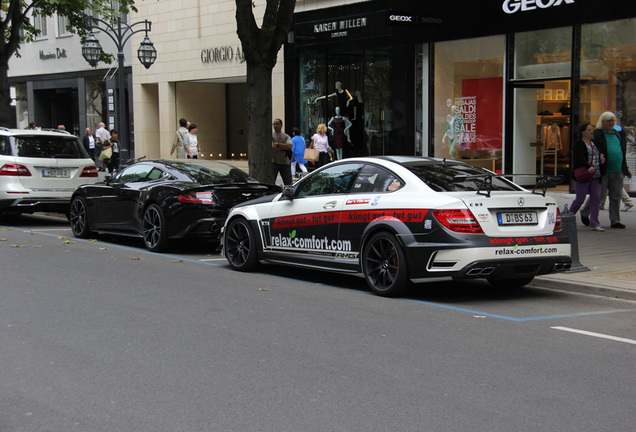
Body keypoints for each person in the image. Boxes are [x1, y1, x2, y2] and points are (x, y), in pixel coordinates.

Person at [580, 111, 632, 229]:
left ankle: (615, 220)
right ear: (602, 122)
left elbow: (622, 152)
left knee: (616, 195)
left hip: (618, 169)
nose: (611, 123)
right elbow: (589, 149)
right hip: (603, 170)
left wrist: (626, 168)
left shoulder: (617, 134)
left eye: (613, 121)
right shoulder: (597, 134)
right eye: (609, 121)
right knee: (599, 194)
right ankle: (585, 212)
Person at [568, 123, 605, 231]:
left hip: (595, 174)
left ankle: (595, 223)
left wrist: (601, 157)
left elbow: (597, 154)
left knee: (596, 198)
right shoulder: (579, 144)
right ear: (583, 132)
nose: (591, 131)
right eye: (589, 130)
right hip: (583, 174)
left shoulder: (594, 143)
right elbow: (579, 157)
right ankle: (567, 217)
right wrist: (587, 166)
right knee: (580, 198)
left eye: (592, 129)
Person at [271, 118, 293, 186]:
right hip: (273, 162)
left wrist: (278, 144)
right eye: (274, 124)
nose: (275, 125)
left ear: (281, 125)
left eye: (277, 124)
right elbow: (272, 149)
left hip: (285, 162)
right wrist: (283, 147)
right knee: (271, 183)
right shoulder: (270, 136)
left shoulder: (286, 136)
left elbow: (289, 146)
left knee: (288, 184)